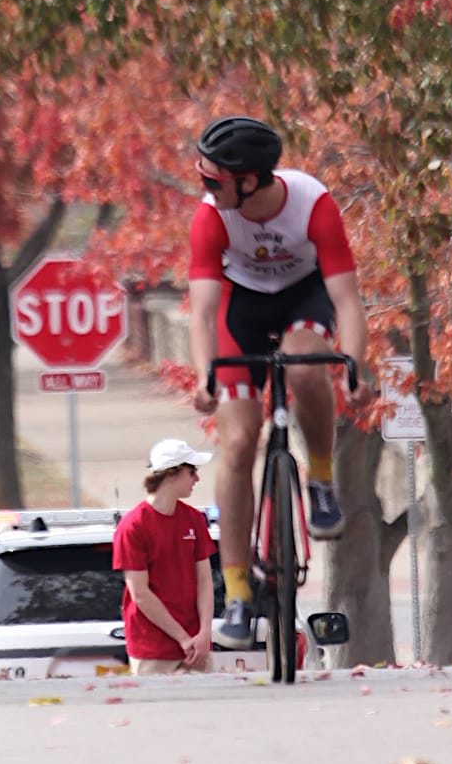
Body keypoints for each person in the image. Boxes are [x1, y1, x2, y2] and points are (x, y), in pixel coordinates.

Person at [186, 116, 370, 648]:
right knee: (239, 442)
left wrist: (354, 366)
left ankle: (321, 479)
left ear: (249, 180)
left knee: (305, 365)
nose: (206, 189)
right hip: (239, 308)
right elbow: (203, 313)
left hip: (303, 296)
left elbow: (347, 300)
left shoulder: (312, 204)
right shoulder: (211, 217)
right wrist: (204, 377)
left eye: (214, 180)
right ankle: (238, 592)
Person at [112, 440, 216, 675]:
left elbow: (205, 581)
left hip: (196, 647)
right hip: (153, 649)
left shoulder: (194, 520)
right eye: (192, 471)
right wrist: (182, 638)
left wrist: (204, 633)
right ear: (171, 474)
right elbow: (140, 593)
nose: (197, 479)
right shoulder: (133, 526)